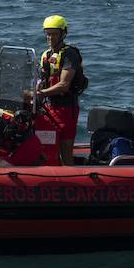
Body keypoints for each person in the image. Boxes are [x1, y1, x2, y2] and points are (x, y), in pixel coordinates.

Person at [38, 14, 87, 165]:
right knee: (47, 149)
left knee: (66, 152)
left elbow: (63, 85)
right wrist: (35, 93)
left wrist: (39, 93)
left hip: (66, 110)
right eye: (48, 34)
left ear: (62, 34)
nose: (50, 37)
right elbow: (41, 81)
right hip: (48, 108)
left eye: (54, 34)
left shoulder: (70, 55)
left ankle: (70, 176)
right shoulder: (46, 55)